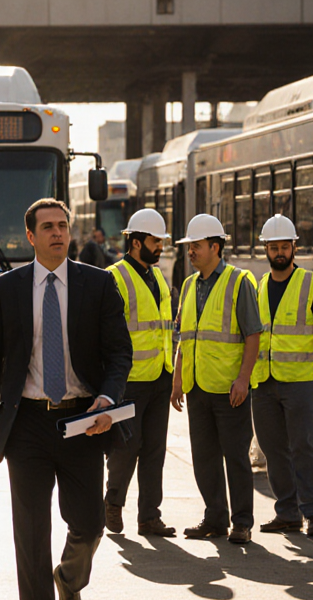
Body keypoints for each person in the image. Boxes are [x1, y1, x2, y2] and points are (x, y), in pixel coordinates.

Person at [0, 198, 131, 600]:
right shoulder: (8, 288)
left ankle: (69, 579)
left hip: (82, 420)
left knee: (89, 523)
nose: (58, 233)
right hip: (28, 426)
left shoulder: (98, 284)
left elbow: (119, 354)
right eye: (48, 227)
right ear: (31, 236)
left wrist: (108, 397)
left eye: (63, 225)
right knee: (30, 534)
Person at [170, 215, 262, 544]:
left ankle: (242, 522)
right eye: (189, 246)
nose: (190, 252)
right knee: (204, 458)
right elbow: (186, 336)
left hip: (229, 388)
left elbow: (253, 335)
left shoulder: (239, 282)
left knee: (236, 457)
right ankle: (215, 518)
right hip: (198, 388)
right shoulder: (190, 285)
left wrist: (243, 379)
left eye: (195, 246)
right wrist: (178, 379)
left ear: (215, 247)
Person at [250, 214, 313, 537]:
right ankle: (287, 512)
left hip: (300, 380)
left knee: (304, 447)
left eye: (285, 246)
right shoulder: (260, 287)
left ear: (294, 248)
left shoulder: (311, 283)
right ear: (266, 250)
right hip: (265, 381)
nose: (279, 252)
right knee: (274, 450)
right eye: (274, 247)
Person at [102, 209, 177, 536]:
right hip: (128, 381)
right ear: (134, 242)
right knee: (125, 448)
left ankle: (149, 516)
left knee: (154, 451)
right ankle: (113, 503)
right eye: (154, 241)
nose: (159, 247)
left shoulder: (157, 276)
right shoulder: (114, 277)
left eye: (161, 241)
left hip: (160, 377)